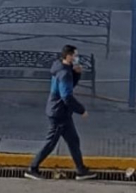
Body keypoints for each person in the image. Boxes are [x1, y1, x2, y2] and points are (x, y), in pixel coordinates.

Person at [25, 45, 97, 181]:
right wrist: (81, 110)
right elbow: (67, 96)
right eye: (75, 55)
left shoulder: (60, 66)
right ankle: (32, 168)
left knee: (73, 141)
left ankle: (81, 170)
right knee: (51, 143)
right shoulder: (65, 74)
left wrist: (77, 73)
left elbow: (69, 86)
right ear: (68, 56)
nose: (77, 58)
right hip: (59, 113)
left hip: (60, 111)